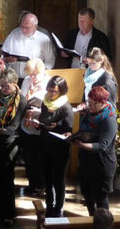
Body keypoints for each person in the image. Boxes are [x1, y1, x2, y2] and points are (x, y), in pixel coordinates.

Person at [0, 68, 27, 226]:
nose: (3, 89)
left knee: (7, 178)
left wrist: (1, 130)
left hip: (9, 142)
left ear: (15, 84)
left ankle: (8, 213)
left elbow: (15, 126)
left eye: (6, 86)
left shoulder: (21, 100)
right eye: (1, 85)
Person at [72, 86, 117, 216]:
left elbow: (102, 145)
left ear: (103, 102)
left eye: (93, 103)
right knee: (87, 194)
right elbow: (83, 132)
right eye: (88, 102)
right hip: (87, 161)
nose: (90, 106)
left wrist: (81, 145)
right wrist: (72, 135)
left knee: (101, 200)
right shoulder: (88, 114)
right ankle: (92, 220)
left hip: (102, 163)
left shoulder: (109, 120)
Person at [37, 76, 73, 217]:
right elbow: (42, 119)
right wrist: (39, 125)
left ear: (61, 91)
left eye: (54, 91)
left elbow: (69, 130)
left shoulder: (65, 107)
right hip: (46, 144)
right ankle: (49, 206)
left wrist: (56, 127)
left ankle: (58, 209)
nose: (51, 94)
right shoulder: (45, 103)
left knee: (58, 179)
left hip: (60, 148)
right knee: (47, 178)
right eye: (49, 90)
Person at [19, 59, 50, 197]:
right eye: (30, 74)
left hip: (40, 124)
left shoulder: (49, 82)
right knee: (28, 157)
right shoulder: (26, 81)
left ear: (41, 72)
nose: (32, 77)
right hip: (26, 124)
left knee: (39, 157)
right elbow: (22, 100)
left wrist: (37, 111)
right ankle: (32, 184)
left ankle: (40, 185)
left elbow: (51, 105)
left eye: (34, 75)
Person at [2, 13, 56, 80]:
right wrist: (5, 59)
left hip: (33, 79)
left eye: (27, 28)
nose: (23, 30)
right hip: (13, 78)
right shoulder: (14, 34)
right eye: (22, 26)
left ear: (35, 27)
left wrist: (40, 71)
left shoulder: (43, 39)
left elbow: (50, 60)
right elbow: (2, 53)